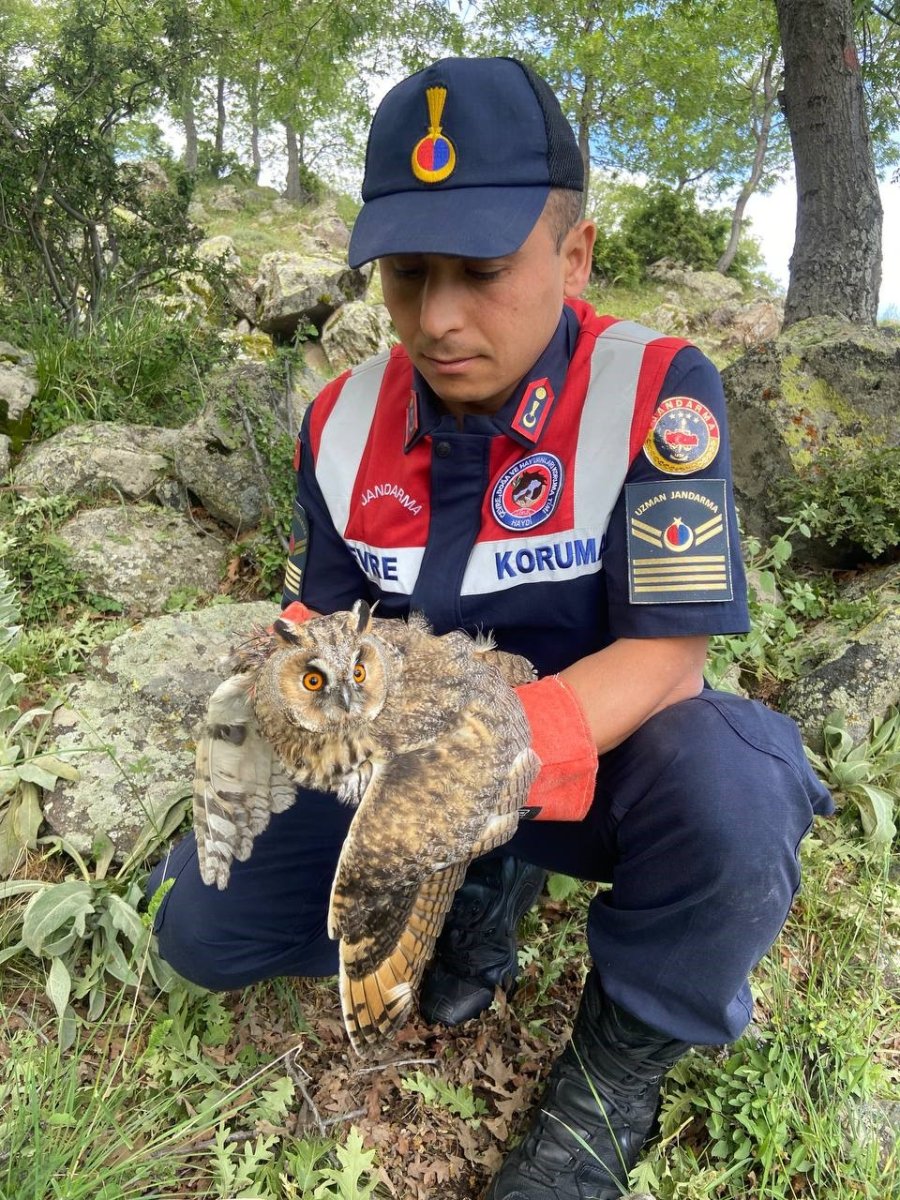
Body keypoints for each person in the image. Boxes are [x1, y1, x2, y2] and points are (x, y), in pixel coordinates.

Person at [149, 56, 833, 1199]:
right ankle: (468, 880)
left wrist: (490, 754)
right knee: (199, 931)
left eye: (481, 271)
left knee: (735, 788)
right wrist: (298, 682)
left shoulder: (657, 391)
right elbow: (331, 613)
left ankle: (610, 1082)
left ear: (573, 256)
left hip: (582, 765)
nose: (438, 317)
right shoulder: (340, 419)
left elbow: (671, 653)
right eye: (406, 275)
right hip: (403, 768)